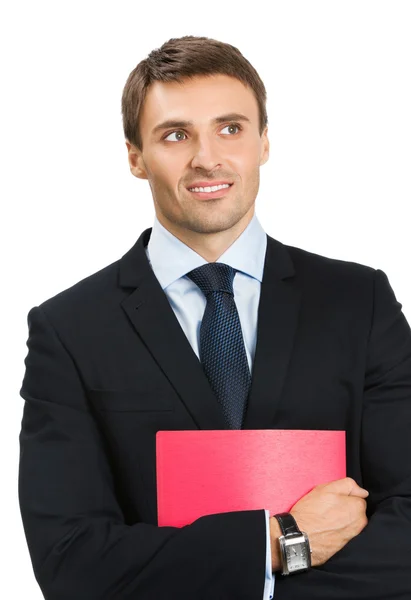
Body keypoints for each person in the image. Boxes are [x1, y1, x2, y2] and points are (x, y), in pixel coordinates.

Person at [18, 35, 411, 600]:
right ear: (135, 156)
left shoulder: (358, 301)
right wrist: (280, 542)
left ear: (264, 142)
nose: (208, 157)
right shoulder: (70, 329)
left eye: (231, 128)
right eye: (176, 135)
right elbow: (71, 561)